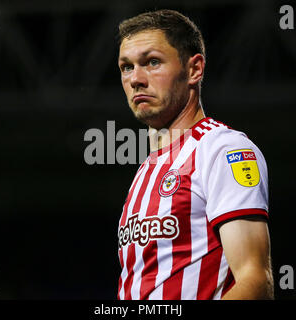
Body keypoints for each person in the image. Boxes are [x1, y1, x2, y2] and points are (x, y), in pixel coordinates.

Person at [116, 9, 273, 300]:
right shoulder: (146, 170)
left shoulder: (224, 150)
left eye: (152, 62)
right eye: (127, 67)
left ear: (194, 70)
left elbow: (255, 283)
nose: (136, 78)